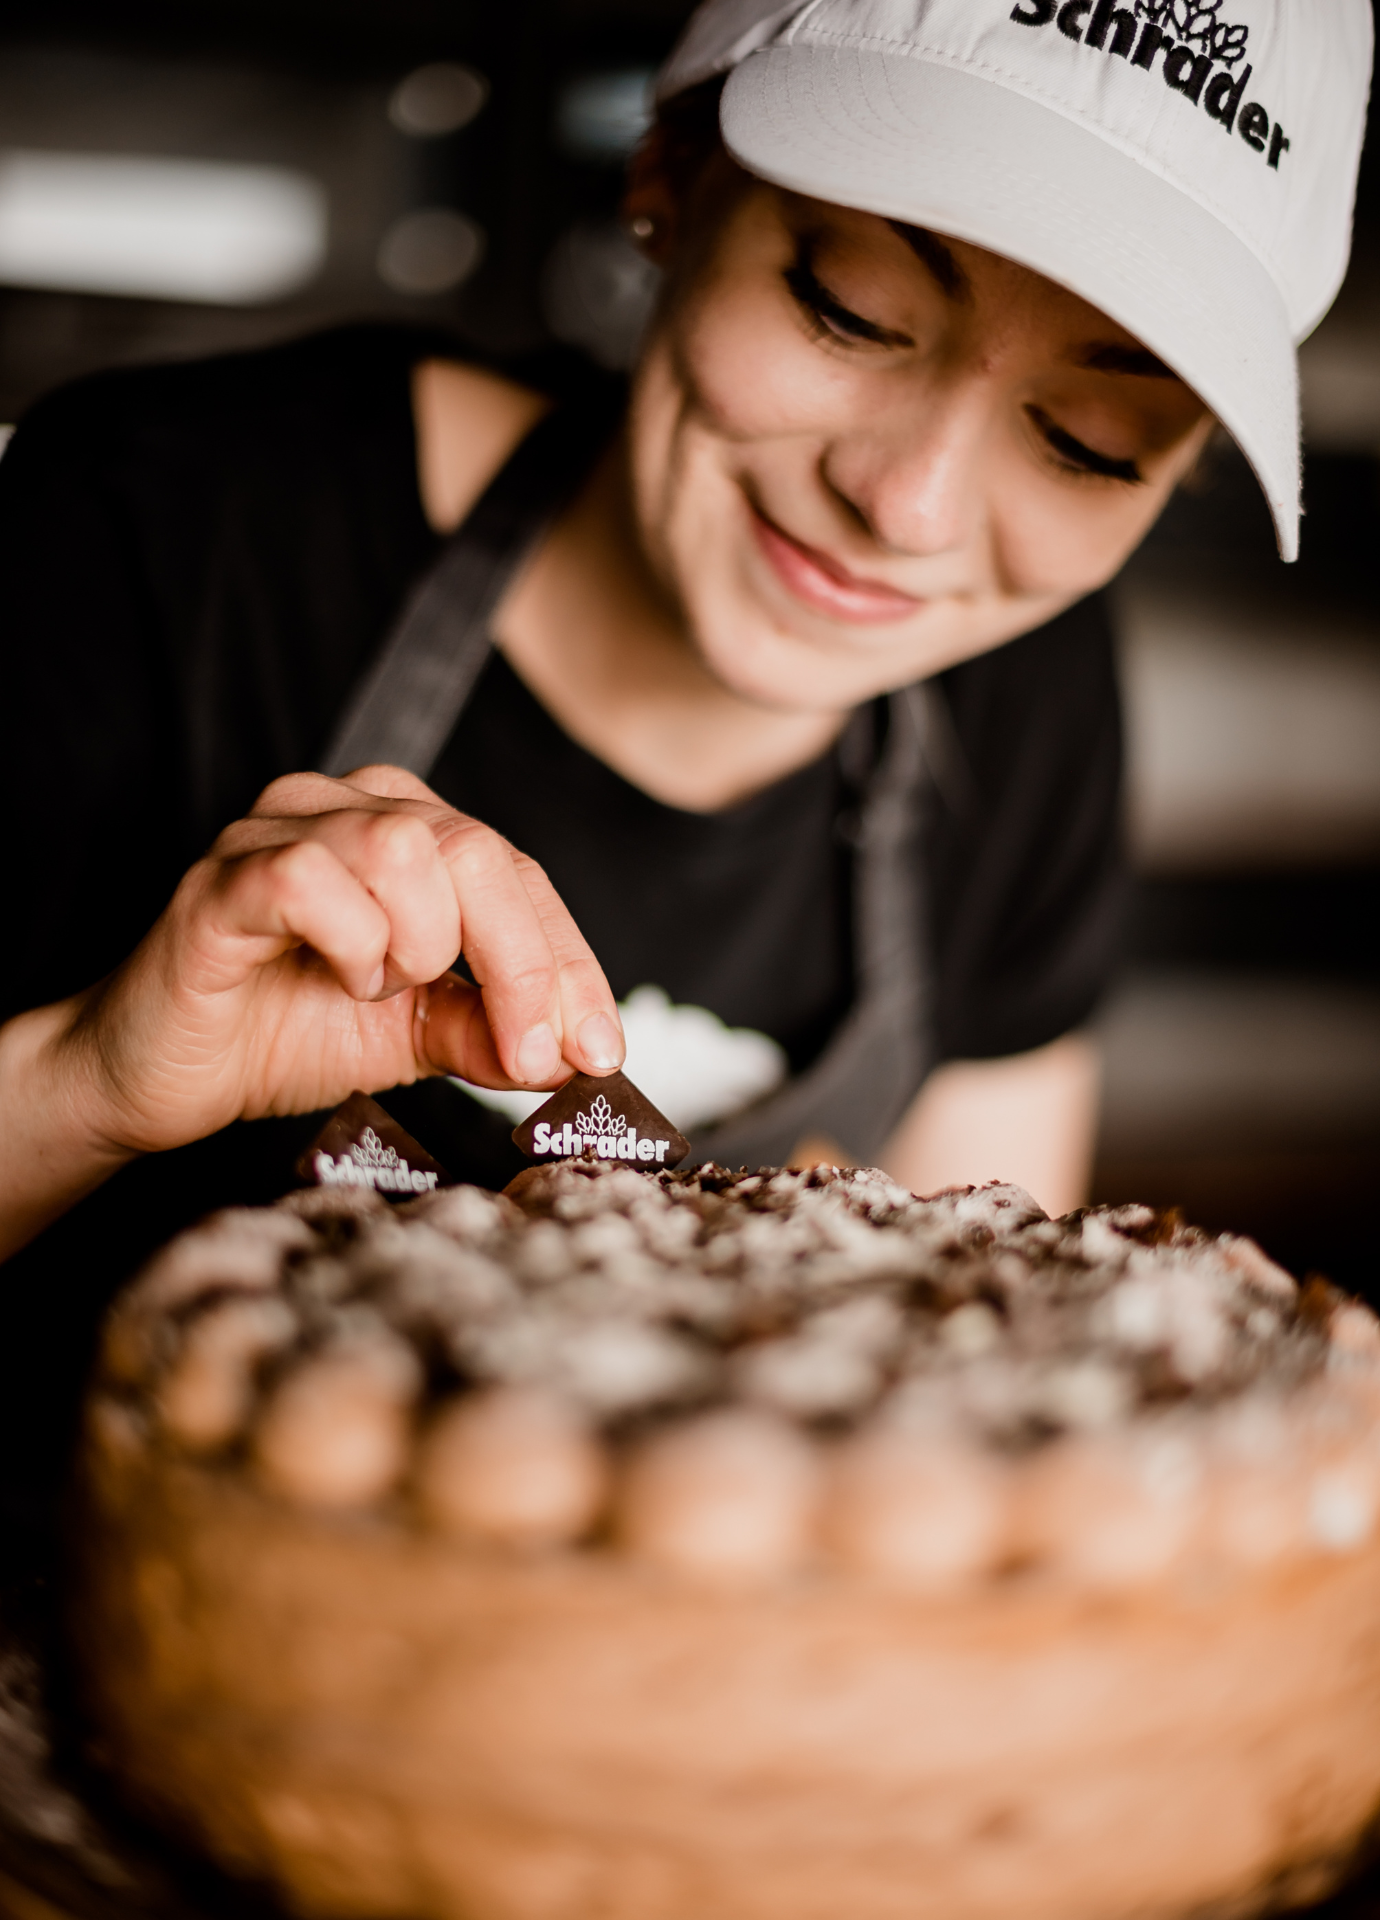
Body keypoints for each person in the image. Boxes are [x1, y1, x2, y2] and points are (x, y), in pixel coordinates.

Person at [0, 0, 1370, 1506]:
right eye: (847, 307)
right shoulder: (167, 523)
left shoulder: (1027, 704)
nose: (906, 506)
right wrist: (87, 1079)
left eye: (1092, 441)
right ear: (667, 173)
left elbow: (973, 1383)